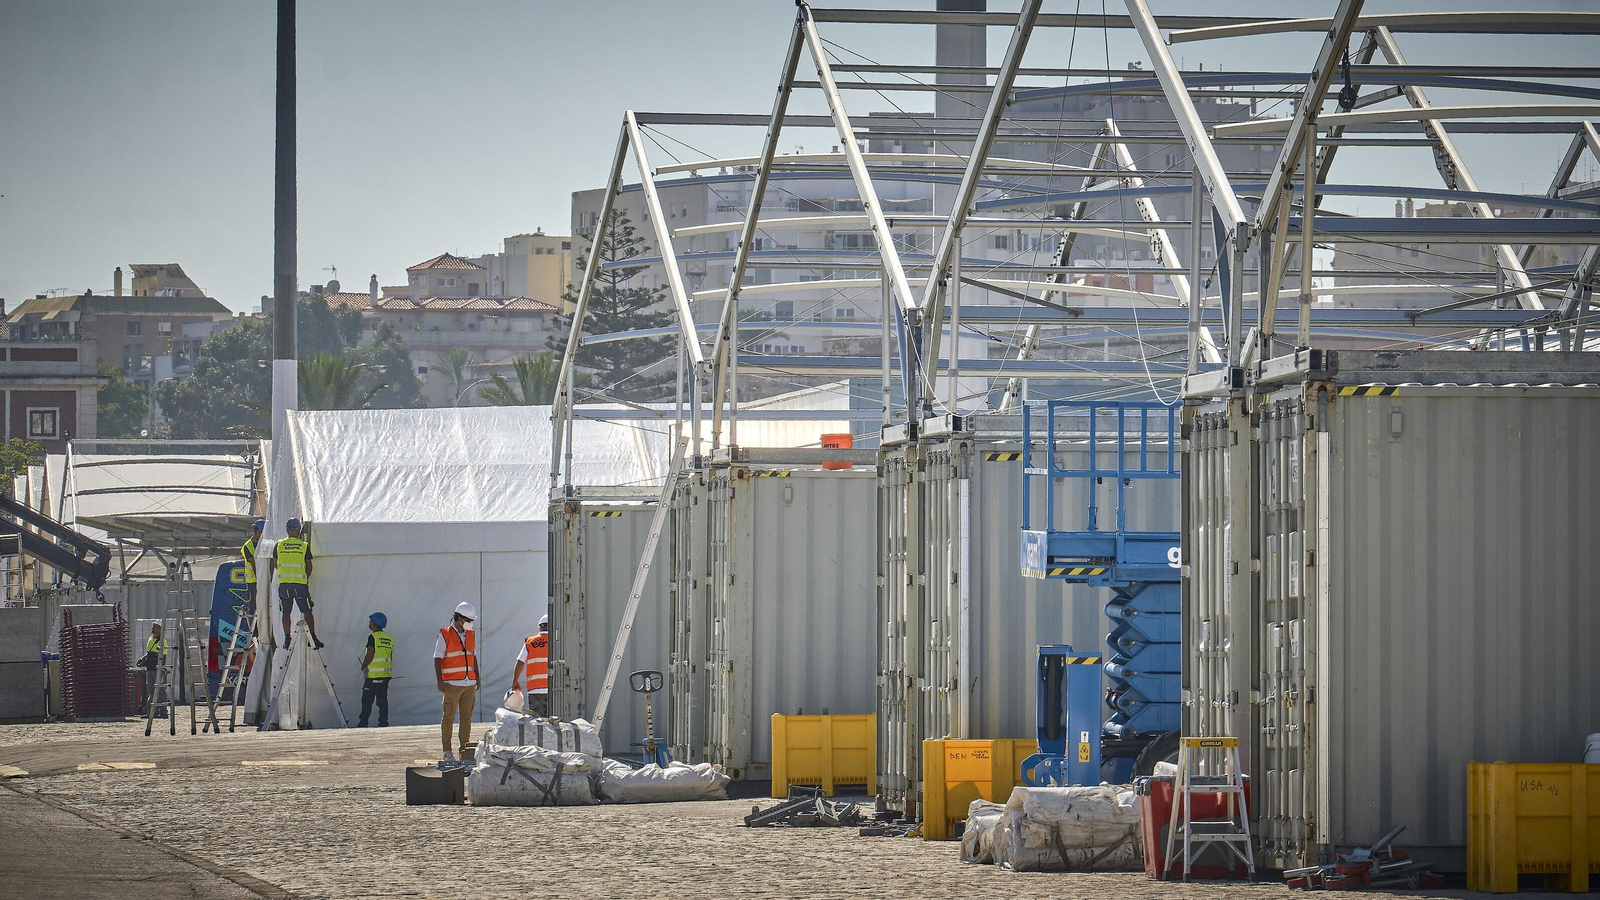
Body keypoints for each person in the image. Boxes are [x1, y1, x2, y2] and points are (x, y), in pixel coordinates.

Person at [433, 601, 480, 761]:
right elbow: (437, 657)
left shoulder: (471, 634)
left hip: (469, 683)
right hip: (452, 684)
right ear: (460, 619)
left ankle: (464, 751)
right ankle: (447, 751)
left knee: (466, 718)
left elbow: (472, 656)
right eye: (469, 620)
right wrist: (440, 681)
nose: (470, 623)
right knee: (449, 717)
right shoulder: (445, 633)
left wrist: (477, 677)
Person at [270, 517, 323, 650]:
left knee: (286, 612)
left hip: (284, 585)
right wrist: (304, 578)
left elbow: (275, 564)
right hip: (300, 584)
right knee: (307, 611)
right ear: (298, 530)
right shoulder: (303, 545)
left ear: (287, 530)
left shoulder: (279, 545)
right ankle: (313, 638)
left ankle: (287, 639)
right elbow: (309, 566)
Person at [357, 612, 393, 728]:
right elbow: (390, 656)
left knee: (367, 701)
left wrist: (363, 665)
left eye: (370, 622)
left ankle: (363, 724)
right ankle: (383, 723)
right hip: (385, 675)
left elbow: (370, 654)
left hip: (373, 676)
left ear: (373, 624)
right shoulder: (389, 639)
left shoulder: (372, 637)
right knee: (382, 702)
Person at [511, 615, 550, 717]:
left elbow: (520, 662)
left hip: (535, 689)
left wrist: (515, 680)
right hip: (553, 688)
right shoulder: (556, 641)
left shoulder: (530, 642)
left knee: (538, 723)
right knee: (554, 722)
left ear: (540, 627)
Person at [140, 622, 166, 715]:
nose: (153, 628)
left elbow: (164, 656)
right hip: (150, 669)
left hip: (157, 669)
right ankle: (151, 712)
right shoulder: (150, 639)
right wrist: (143, 658)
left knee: (160, 690)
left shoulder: (162, 641)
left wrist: (162, 669)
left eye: (155, 627)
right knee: (151, 690)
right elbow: (150, 652)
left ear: (159, 628)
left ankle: (163, 711)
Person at [241, 518, 264, 611]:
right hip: (253, 581)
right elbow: (254, 564)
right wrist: (260, 579)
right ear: (254, 531)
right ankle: (253, 625)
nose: (261, 536)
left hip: (261, 580)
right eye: (260, 533)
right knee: (253, 606)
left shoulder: (262, 544)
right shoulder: (247, 546)